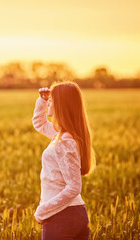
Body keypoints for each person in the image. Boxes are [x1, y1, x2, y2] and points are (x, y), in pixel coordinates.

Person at [32, 81, 96, 240]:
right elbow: (39, 123)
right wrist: (42, 100)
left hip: (61, 217)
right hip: (73, 214)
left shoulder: (65, 142)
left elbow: (74, 187)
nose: (49, 104)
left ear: (61, 105)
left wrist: (43, 211)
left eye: (52, 100)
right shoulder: (62, 135)